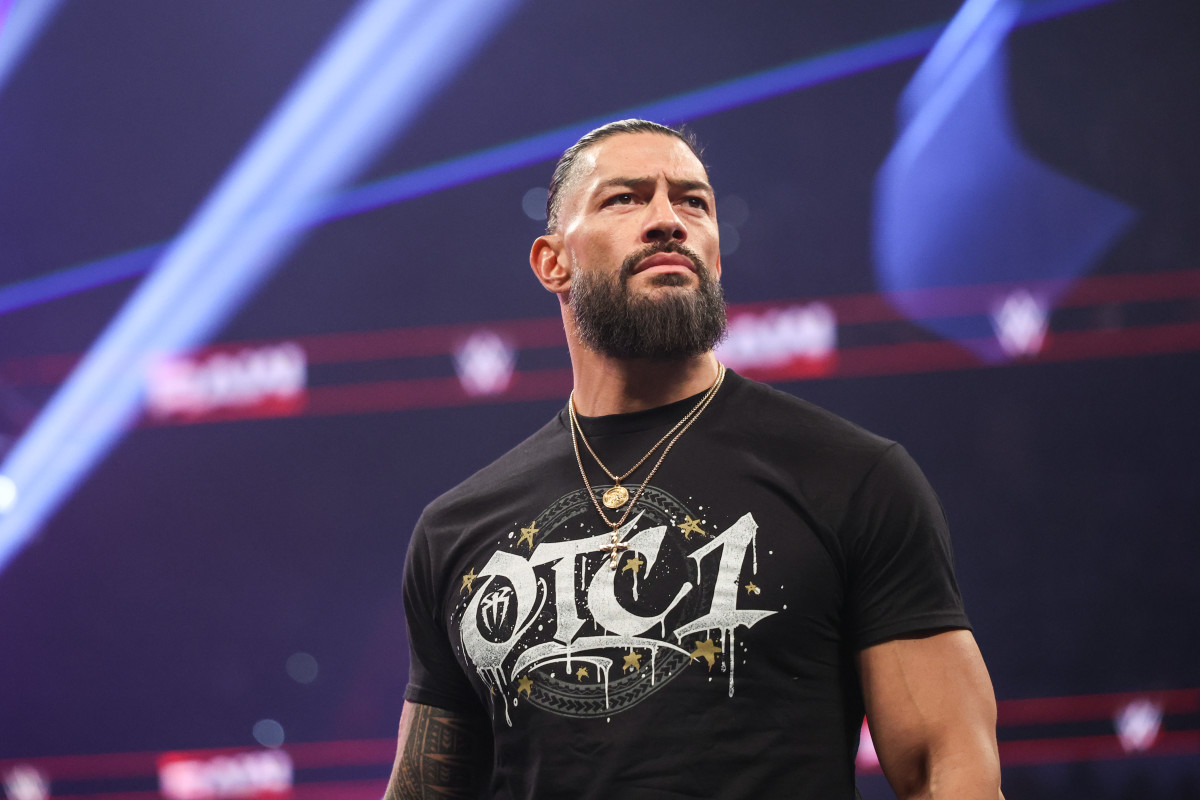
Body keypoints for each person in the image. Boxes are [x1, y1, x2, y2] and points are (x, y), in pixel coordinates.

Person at [386, 119, 1003, 799]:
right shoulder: (458, 529)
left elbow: (946, 768)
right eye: (624, 198)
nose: (667, 220)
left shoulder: (851, 477)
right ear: (552, 262)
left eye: (693, 202)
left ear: (714, 256)